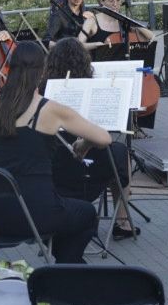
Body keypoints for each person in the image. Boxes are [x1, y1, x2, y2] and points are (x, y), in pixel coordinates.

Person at [0, 42, 110, 264]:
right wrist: (84, 145)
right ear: (42, 71)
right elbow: (104, 138)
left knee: (65, 217)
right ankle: (67, 267)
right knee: (86, 214)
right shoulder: (49, 109)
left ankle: (67, 267)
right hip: (37, 212)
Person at [44, 38, 137, 239]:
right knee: (120, 152)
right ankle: (122, 221)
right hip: (87, 171)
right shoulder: (93, 90)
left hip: (54, 170)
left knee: (114, 153)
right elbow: (103, 134)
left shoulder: (43, 91)